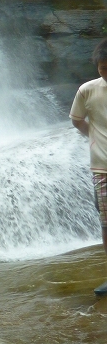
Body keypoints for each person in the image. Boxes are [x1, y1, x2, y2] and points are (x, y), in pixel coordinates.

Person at [70, 37, 107, 296]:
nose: (105, 72)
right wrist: (95, 140)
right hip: (102, 168)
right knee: (106, 223)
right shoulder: (88, 90)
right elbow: (77, 119)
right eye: (102, 67)